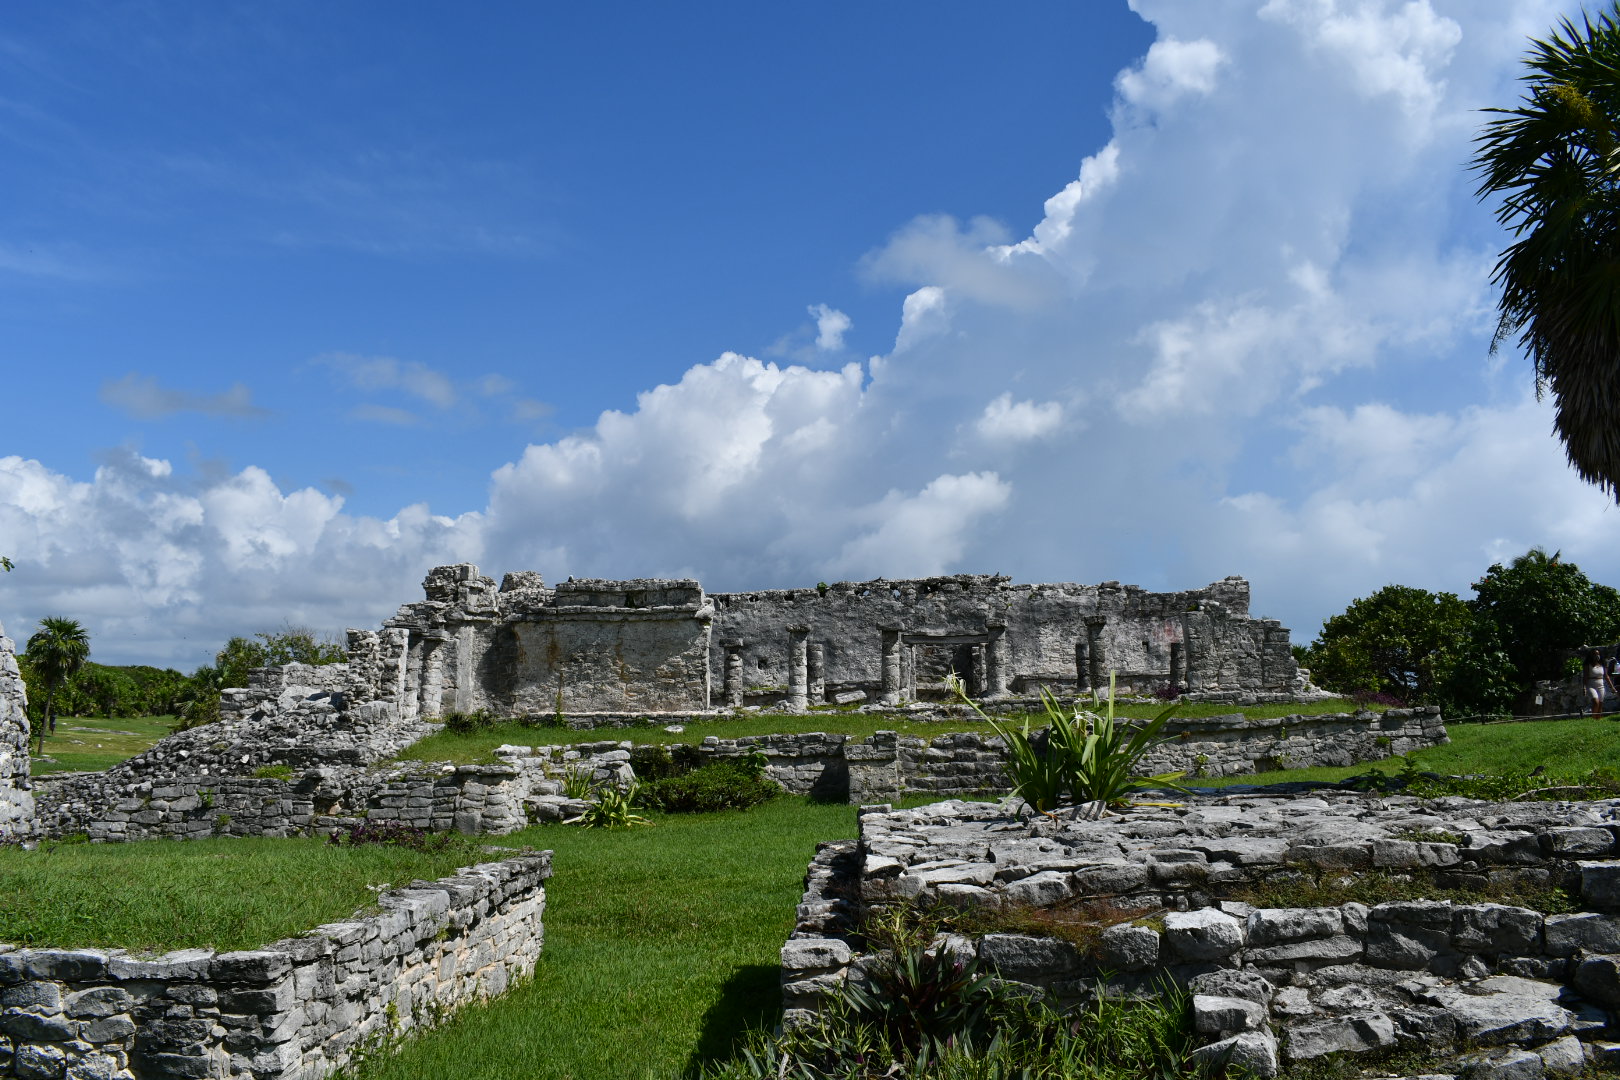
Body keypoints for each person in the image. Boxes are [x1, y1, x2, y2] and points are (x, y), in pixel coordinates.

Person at [1584, 649, 1615, 719]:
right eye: (1595, 654)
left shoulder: (1602, 665)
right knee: (1596, 702)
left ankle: (1598, 720)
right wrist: (1584, 687)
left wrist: (1612, 687)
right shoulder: (1588, 665)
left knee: (1600, 704)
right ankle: (1593, 719)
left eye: (1598, 654)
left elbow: (1606, 676)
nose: (1597, 656)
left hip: (1601, 685)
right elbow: (1585, 676)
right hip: (1591, 685)